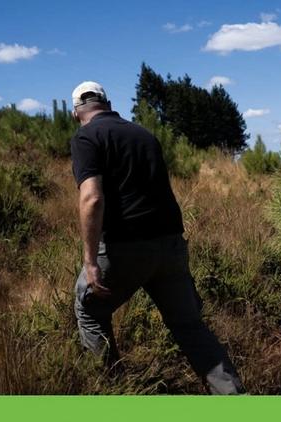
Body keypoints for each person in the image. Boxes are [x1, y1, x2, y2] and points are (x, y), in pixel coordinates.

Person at [69, 81, 245, 394]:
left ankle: (111, 393)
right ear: (108, 103)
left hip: (126, 247)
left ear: (75, 112)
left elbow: (92, 199)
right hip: (170, 244)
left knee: (89, 309)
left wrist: (90, 259)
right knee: (189, 326)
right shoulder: (144, 134)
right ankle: (233, 398)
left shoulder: (86, 136)